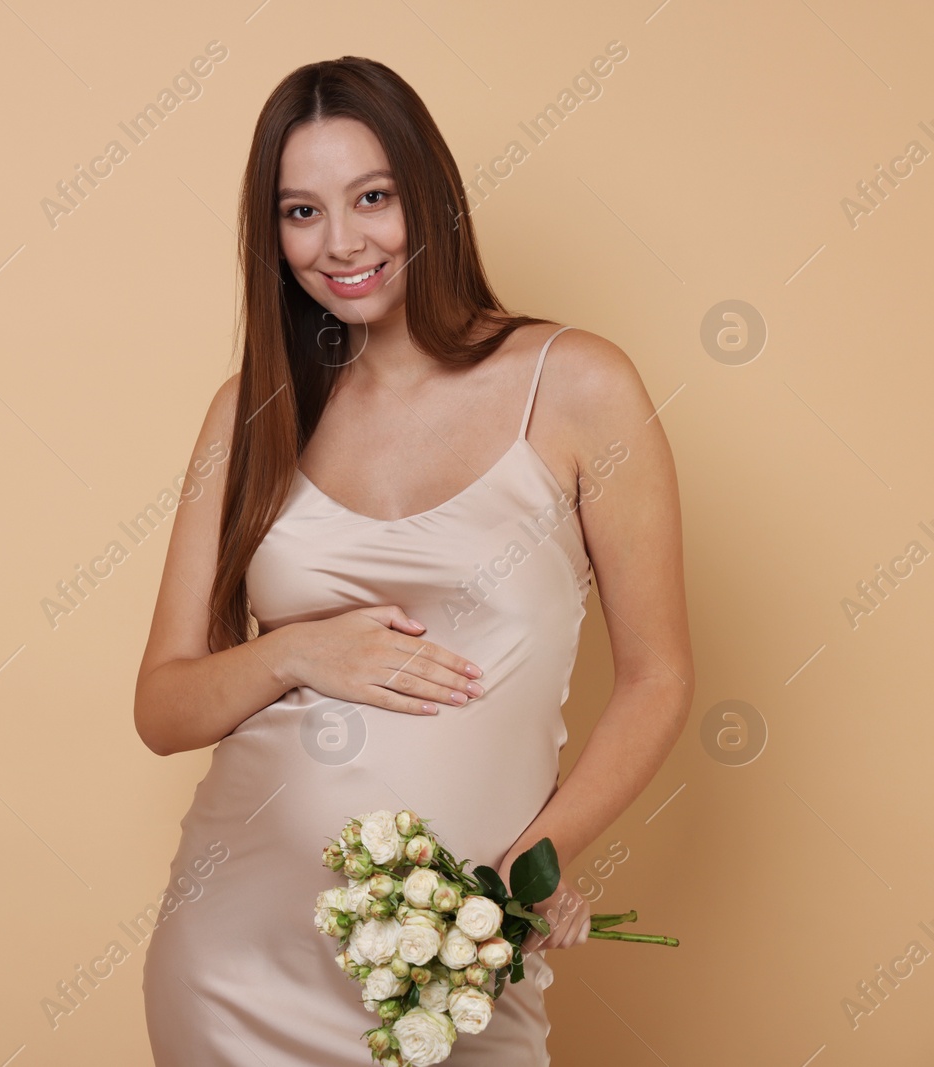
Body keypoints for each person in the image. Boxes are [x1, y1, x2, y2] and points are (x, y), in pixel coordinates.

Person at [134, 56, 692, 1065]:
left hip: (456, 967)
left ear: (428, 196)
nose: (340, 242)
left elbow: (657, 677)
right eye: (300, 211)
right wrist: (295, 651)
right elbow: (163, 708)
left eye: (372, 197)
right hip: (234, 962)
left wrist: (535, 859)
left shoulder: (576, 385)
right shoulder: (251, 409)